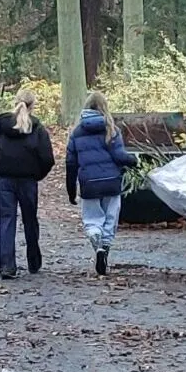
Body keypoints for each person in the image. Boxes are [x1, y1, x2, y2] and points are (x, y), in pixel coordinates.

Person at [0, 90, 55, 279]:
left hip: (6, 180)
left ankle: (7, 266)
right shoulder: (38, 129)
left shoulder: (1, 126)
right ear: (32, 106)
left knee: (6, 221)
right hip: (28, 181)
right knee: (30, 220)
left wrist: (0, 170)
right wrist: (37, 175)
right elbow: (47, 158)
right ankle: (34, 261)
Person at [66, 92, 137, 276]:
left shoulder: (77, 132)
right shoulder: (111, 129)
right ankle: (104, 248)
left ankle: (96, 241)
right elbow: (119, 156)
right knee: (110, 218)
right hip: (111, 182)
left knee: (92, 220)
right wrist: (134, 161)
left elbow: (71, 163)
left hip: (89, 183)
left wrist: (71, 189)